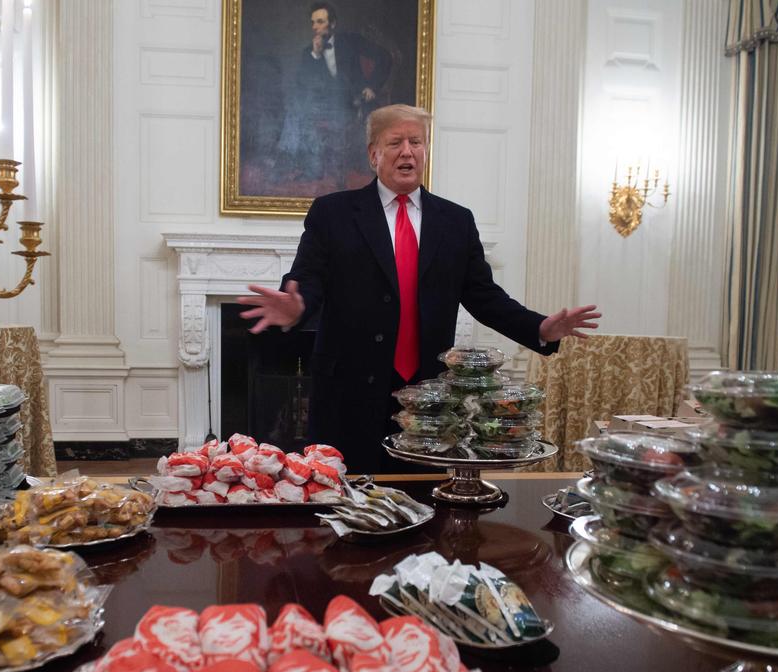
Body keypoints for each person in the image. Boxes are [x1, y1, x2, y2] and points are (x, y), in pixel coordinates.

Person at [238, 104, 600, 473]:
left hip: (428, 408)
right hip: (347, 402)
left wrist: (539, 328)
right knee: (345, 512)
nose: (407, 151)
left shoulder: (456, 221)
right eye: (395, 142)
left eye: (417, 142)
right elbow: (307, 280)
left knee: (424, 511)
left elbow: (485, 297)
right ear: (373, 154)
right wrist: (295, 307)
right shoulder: (333, 213)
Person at [283, 2, 392, 185]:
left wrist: (372, 86)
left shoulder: (351, 41)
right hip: (323, 106)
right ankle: (300, 163)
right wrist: (316, 56)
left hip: (353, 102)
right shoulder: (308, 53)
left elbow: (384, 57)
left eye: (320, 22)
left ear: (332, 24)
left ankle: (302, 162)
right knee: (296, 108)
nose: (315, 27)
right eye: (313, 23)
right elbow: (303, 86)